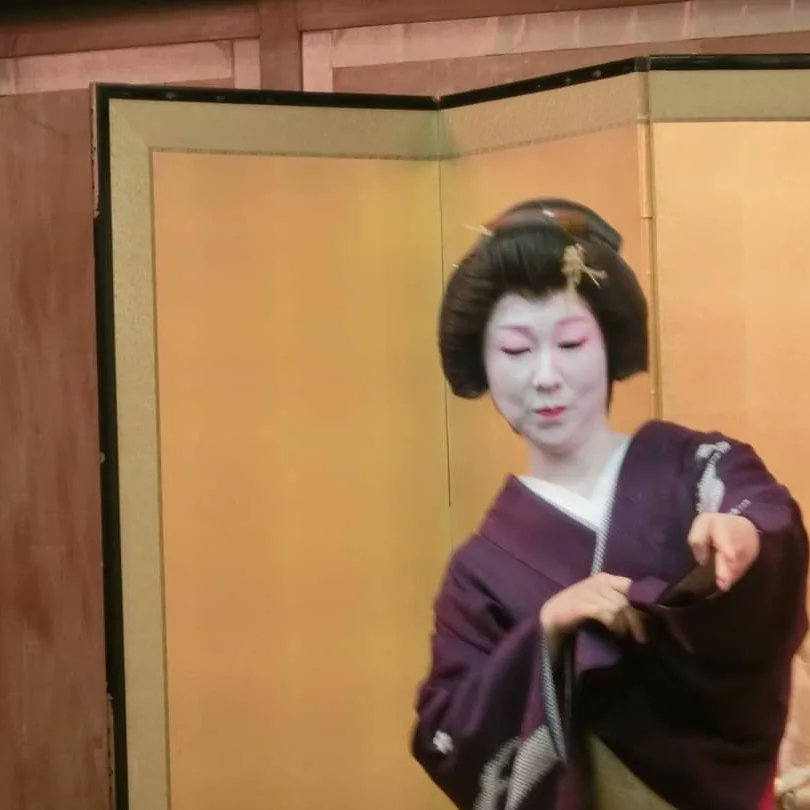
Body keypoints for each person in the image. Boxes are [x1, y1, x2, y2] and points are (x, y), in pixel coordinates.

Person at [410, 199, 809, 810]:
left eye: (571, 343)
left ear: (608, 346)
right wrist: (547, 633)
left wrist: (747, 538)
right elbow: (446, 734)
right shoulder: (478, 574)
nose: (546, 376)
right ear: (482, 365)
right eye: (516, 351)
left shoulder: (696, 468)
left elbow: (764, 513)